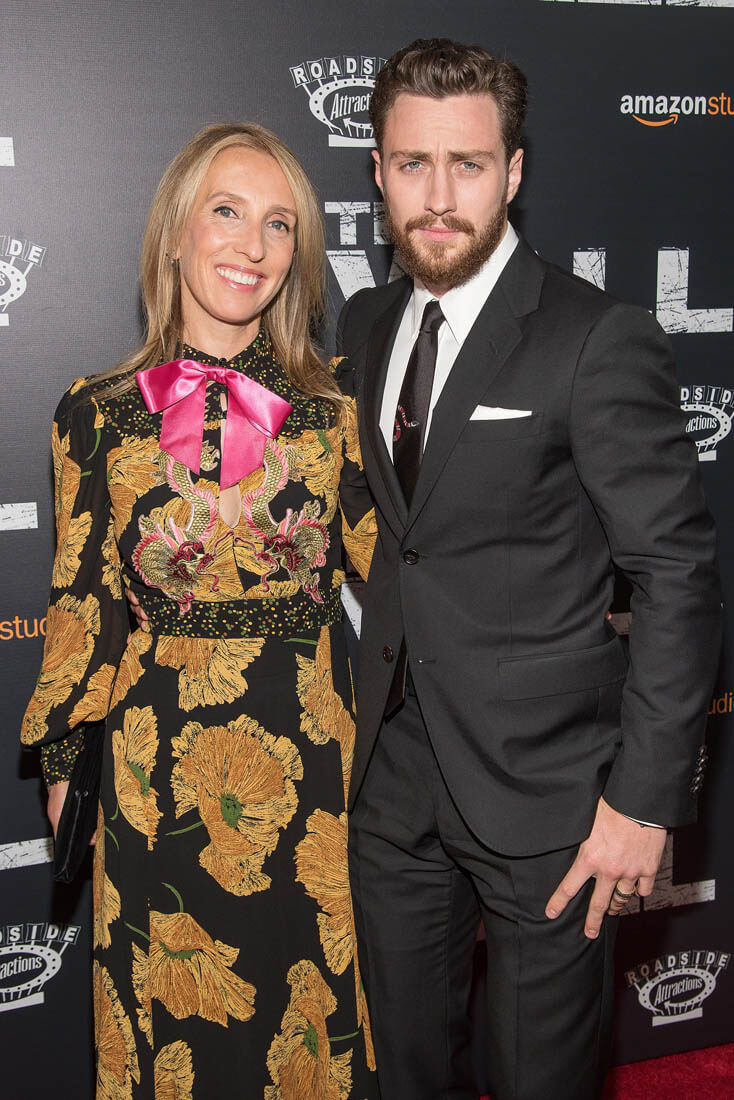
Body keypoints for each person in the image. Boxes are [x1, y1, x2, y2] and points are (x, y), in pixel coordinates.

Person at [336, 39, 721, 1100]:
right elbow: (390, 527)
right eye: (412, 164)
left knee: (538, 1077)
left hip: (549, 796)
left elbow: (676, 575)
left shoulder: (594, 338)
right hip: (391, 777)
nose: (438, 197)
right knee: (399, 1069)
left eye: (466, 164)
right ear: (377, 174)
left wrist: (643, 803)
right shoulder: (365, 323)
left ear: (512, 171)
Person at [21, 122, 377, 1099]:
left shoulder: (333, 412)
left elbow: (403, 575)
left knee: (305, 1010)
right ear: (176, 230)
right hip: (156, 772)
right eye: (227, 211)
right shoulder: (94, 412)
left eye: (278, 224)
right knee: (174, 1020)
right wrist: (66, 764)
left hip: (312, 764)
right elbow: (82, 599)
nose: (251, 246)